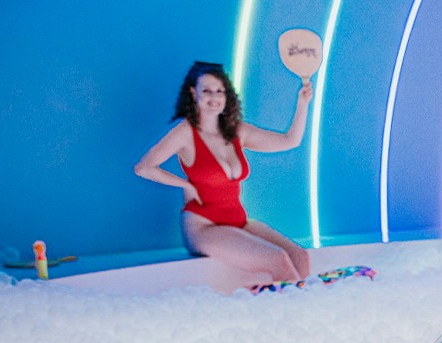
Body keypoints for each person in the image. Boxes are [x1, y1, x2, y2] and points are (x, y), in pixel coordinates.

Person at [134, 61, 313, 283]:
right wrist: (186, 185)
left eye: (219, 91)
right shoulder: (185, 131)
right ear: (193, 93)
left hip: (238, 221)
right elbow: (143, 167)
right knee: (278, 260)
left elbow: (290, 140)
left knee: (300, 256)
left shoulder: (237, 131)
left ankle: (299, 301)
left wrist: (303, 103)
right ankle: (296, 304)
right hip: (203, 227)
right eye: (207, 91)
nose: (214, 97)